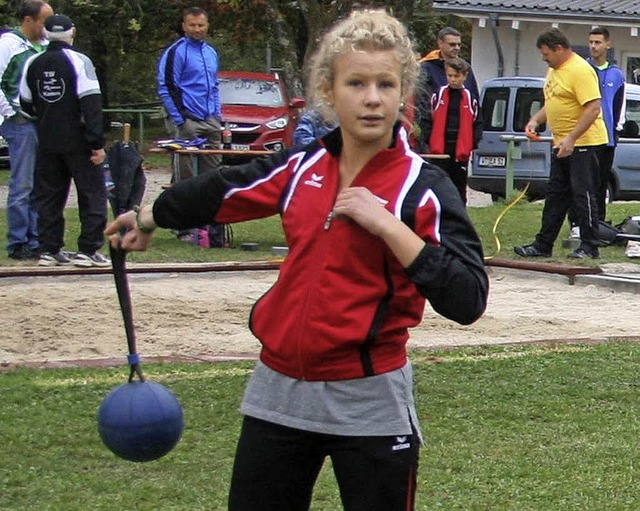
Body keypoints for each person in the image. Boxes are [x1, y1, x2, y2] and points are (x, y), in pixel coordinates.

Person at [106, 9, 488, 511]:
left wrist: (390, 227)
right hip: (278, 393)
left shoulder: (424, 188)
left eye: (385, 84)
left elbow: (468, 296)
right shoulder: (302, 166)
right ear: (329, 91)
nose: (372, 98)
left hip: (369, 398)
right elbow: (224, 190)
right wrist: (147, 217)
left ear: (402, 94)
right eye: (356, 83)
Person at [19, 14, 110, 267]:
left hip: (47, 140)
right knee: (92, 193)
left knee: (48, 196)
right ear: (73, 32)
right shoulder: (79, 61)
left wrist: (47, 119)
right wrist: (96, 142)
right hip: (79, 140)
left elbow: (25, 103)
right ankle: (89, 249)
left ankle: (49, 249)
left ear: (46, 33)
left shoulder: (33, 62)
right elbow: (90, 103)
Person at [514, 28, 608, 260]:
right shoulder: (554, 70)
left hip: (584, 142)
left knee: (582, 194)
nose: (543, 58)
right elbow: (554, 101)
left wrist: (573, 138)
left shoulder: (580, 70)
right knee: (556, 194)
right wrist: (535, 120)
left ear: (559, 49)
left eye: (546, 53)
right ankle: (543, 244)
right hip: (560, 142)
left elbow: (593, 107)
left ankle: (589, 244)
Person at [0, 0, 53, 260]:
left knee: (39, 183)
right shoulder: (8, 45)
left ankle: (36, 238)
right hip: (19, 122)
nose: (48, 25)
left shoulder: (44, 46)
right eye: (45, 20)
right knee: (22, 183)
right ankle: (18, 240)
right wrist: (11, 113)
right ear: (29, 20)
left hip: (40, 121)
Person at [570, 26, 625, 233]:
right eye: (591, 42)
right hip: (585, 137)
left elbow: (618, 106)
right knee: (583, 184)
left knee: (601, 184)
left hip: (607, 138)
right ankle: (577, 222)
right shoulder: (583, 69)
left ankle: (598, 225)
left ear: (607, 44)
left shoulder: (616, 74)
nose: (593, 46)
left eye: (598, 42)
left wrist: (615, 132)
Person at [156, 6, 222, 180]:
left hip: (210, 120)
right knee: (185, 176)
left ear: (207, 25)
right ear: (184, 26)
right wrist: (180, 120)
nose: (197, 29)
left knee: (213, 173)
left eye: (200, 25)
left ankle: (208, 206)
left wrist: (216, 114)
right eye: (192, 25)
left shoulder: (210, 52)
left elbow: (214, 86)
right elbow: (167, 87)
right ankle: (181, 206)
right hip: (187, 120)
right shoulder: (176, 51)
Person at [422, 57, 481, 204]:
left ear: (465, 76)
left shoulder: (470, 98)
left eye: (457, 76)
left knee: (459, 186)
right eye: (450, 76)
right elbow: (427, 118)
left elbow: (478, 122)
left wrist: (473, 142)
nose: (453, 79)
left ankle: (460, 214)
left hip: (461, 148)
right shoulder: (437, 95)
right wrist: (428, 138)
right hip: (439, 147)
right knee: (438, 183)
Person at [415, 26, 480, 154]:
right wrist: (426, 135)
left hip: (461, 137)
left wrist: (474, 138)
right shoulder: (426, 68)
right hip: (435, 135)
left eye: (459, 45)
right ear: (440, 43)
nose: (456, 48)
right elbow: (420, 102)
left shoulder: (465, 69)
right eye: (452, 44)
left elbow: (475, 101)